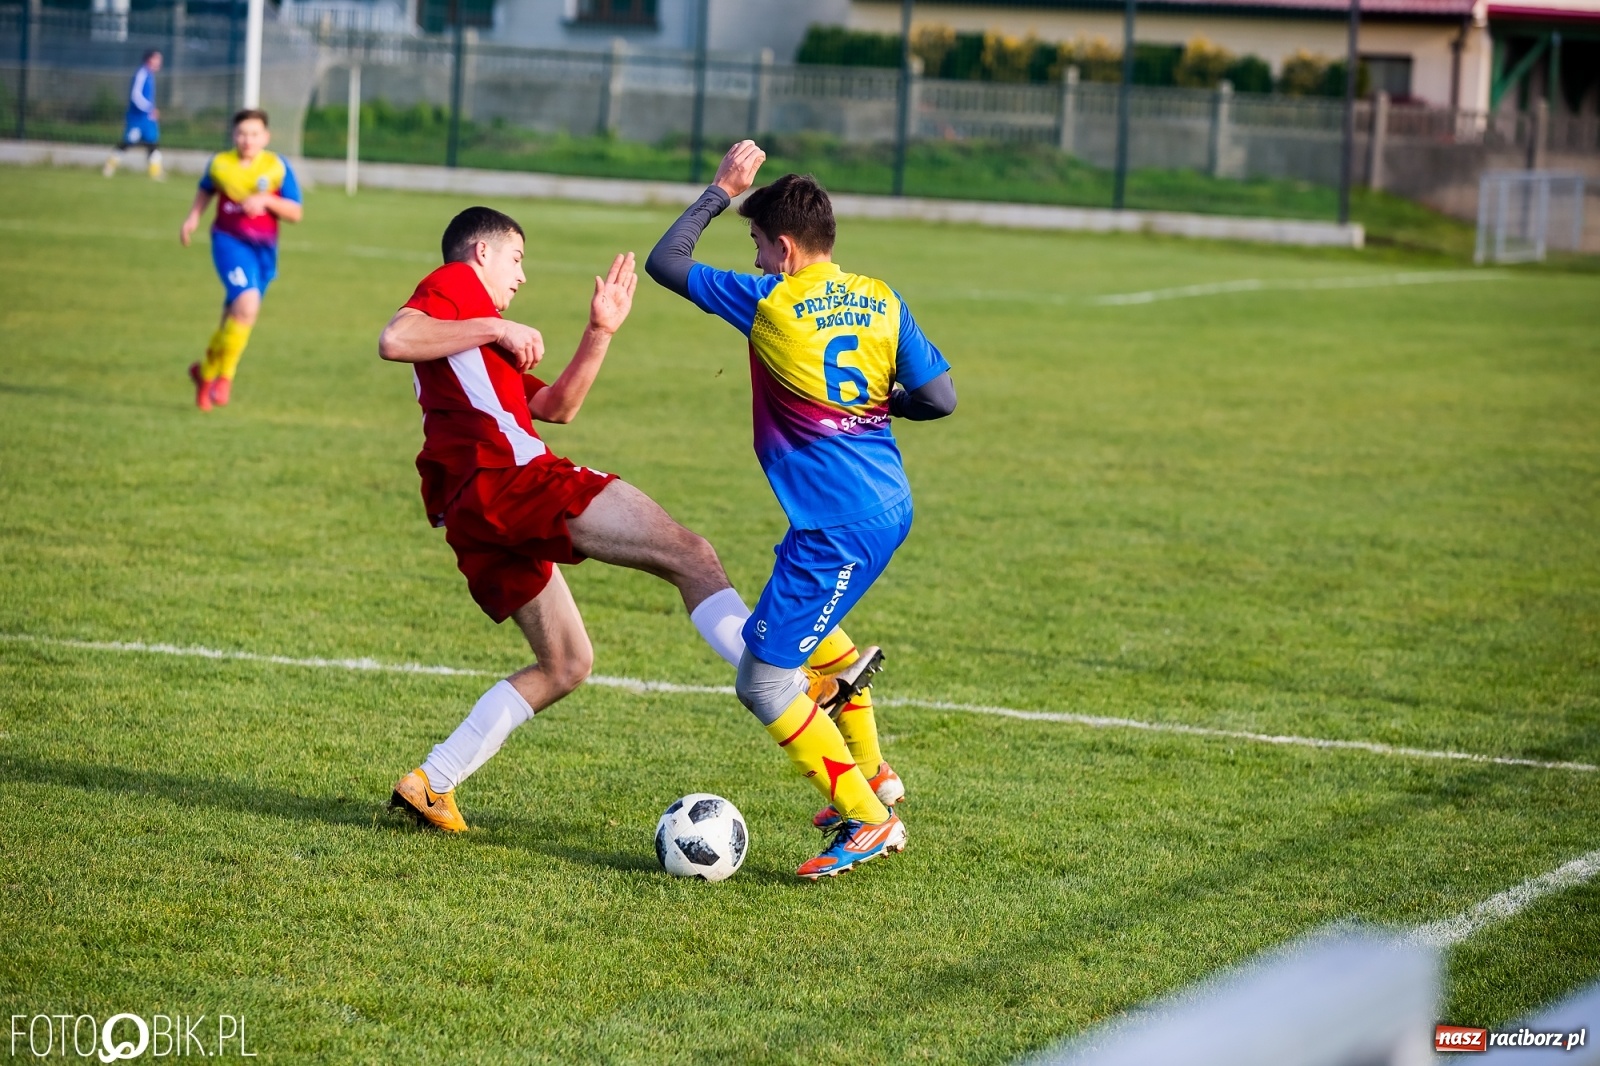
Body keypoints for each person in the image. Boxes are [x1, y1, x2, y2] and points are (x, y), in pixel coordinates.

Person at [378, 206, 830, 837]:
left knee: (566, 663)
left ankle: (432, 781)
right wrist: (494, 328)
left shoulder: (475, 346)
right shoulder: (456, 288)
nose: (522, 277)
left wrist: (601, 330)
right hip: (509, 481)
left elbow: (558, 407)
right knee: (691, 554)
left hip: (474, 508)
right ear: (481, 255)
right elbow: (395, 339)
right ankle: (788, 676)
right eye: (516, 259)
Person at [646, 141, 957, 880]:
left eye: (757, 245)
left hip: (838, 522)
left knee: (760, 681)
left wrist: (721, 189)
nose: (753, 259)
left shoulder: (769, 302)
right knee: (799, 632)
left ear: (784, 248)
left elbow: (667, 261)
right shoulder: (882, 298)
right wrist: (881, 407)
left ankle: (871, 819)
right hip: (880, 500)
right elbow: (940, 398)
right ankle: (873, 771)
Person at [179, 109, 302, 411]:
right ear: (233, 136)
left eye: (254, 134)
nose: (247, 139)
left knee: (233, 319)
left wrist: (266, 200)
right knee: (248, 305)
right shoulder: (221, 164)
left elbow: (295, 213)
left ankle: (204, 373)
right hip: (228, 243)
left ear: (266, 137)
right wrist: (193, 217)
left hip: (264, 251)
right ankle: (225, 378)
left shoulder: (276, 167)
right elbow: (206, 188)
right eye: (241, 133)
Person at [102, 50, 164, 181]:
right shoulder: (141, 73)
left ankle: (155, 173)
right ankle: (109, 166)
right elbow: (136, 95)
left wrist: (151, 111)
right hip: (137, 118)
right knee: (127, 143)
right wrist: (149, 108)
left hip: (148, 119)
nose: (159, 62)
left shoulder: (150, 75)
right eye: (157, 59)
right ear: (149, 59)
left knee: (153, 143)